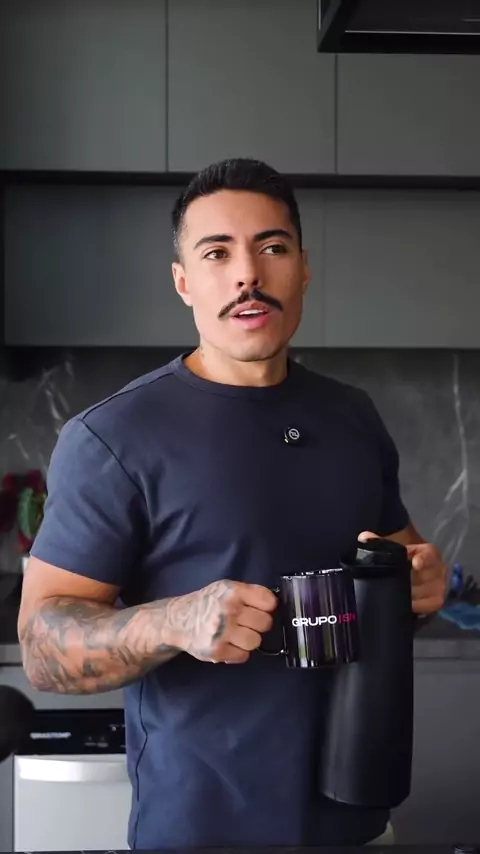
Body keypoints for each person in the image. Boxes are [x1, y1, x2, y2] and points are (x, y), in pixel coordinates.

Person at [18, 158, 447, 850]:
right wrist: (175, 621)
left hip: (361, 825)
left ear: (303, 269)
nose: (248, 274)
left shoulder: (351, 416)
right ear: (184, 281)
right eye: (217, 253)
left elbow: (396, 576)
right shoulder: (114, 436)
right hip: (205, 830)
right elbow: (42, 649)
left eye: (272, 247)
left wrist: (417, 586)